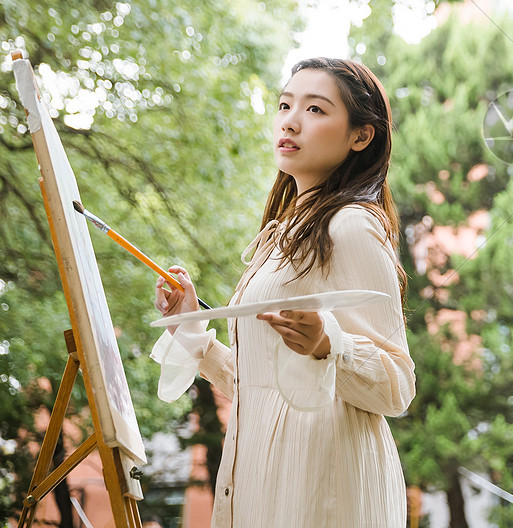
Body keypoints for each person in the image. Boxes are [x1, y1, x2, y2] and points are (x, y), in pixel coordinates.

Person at [149, 57, 416, 527]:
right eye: (285, 104)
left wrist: (329, 345)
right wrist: (195, 330)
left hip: (325, 487)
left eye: (315, 110)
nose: (290, 120)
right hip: (265, 477)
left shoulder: (350, 227)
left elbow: (398, 387)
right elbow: (264, 386)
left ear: (361, 135)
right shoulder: (282, 235)